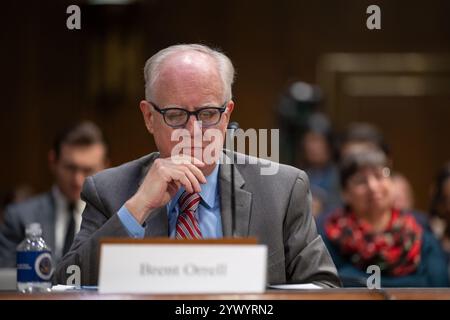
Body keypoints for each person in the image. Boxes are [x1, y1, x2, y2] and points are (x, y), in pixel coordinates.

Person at [54, 44, 340, 287]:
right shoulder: (109, 190)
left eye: (207, 113)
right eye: (176, 114)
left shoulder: (283, 190)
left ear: (227, 115)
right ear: (149, 117)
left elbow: (324, 287)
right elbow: (67, 284)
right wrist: (137, 208)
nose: (193, 130)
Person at [317, 149, 449, 287]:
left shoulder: (420, 236)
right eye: (360, 181)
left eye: (379, 176)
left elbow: (442, 291)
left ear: (392, 183)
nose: (372, 187)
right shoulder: (326, 241)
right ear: (345, 193)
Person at [0, 121, 109, 267]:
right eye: (70, 168)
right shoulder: (19, 217)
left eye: (87, 170)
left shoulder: (113, 220)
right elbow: (7, 282)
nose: (78, 180)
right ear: (53, 162)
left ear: (106, 167)